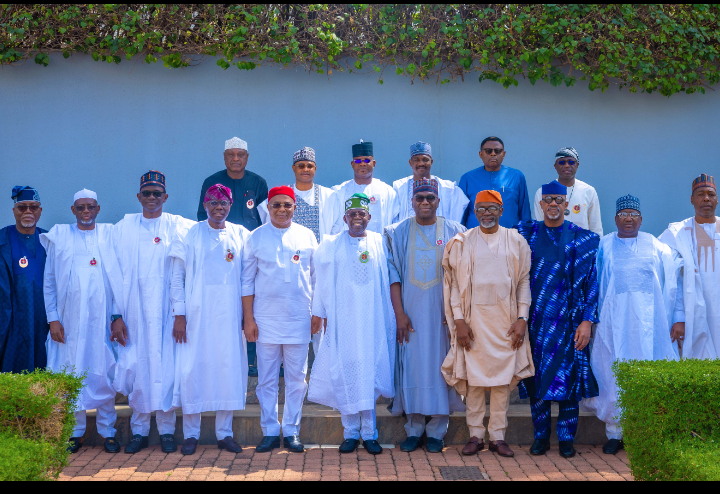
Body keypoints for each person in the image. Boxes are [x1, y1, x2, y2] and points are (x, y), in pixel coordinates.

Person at [581, 195, 679, 455]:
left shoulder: (656, 245)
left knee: (648, 375)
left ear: (641, 219)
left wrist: (673, 317)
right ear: (615, 219)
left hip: (650, 325)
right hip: (613, 324)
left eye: (633, 214)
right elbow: (594, 282)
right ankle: (615, 433)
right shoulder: (604, 245)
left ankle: (644, 433)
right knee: (613, 375)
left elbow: (671, 282)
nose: (628, 218)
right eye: (623, 214)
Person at [442, 190, 534, 458]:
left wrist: (522, 318)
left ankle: (498, 437)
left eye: (492, 208)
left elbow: (523, 281)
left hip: (506, 322)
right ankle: (475, 435)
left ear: (501, 211)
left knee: (502, 382)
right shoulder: (462, 242)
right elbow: (454, 285)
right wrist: (459, 321)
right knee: (474, 381)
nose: (486, 213)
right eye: (481, 209)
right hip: (472, 323)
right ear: (475, 212)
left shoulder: (516, 240)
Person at [514, 180, 600, 459]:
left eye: (558, 200)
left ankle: (566, 439)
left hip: (570, 324)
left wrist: (587, 321)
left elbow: (592, 283)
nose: (553, 204)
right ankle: (540, 437)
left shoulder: (583, 239)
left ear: (567, 204)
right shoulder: (525, 233)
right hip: (535, 323)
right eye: (548, 199)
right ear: (541, 204)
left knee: (569, 381)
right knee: (536, 380)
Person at [112, 171, 195, 454]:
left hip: (168, 312)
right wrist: (116, 316)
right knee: (139, 368)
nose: (151, 198)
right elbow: (113, 273)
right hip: (134, 311)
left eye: (156, 193)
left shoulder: (178, 225)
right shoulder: (123, 227)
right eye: (146, 193)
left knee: (166, 369)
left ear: (165, 196)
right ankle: (139, 431)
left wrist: (181, 313)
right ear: (138, 196)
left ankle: (167, 431)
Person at [308, 193, 395, 455]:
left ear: (369, 216)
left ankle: (369, 434)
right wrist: (319, 313)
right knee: (346, 373)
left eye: (361, 213)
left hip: (372, 320)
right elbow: (321, 282)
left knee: (368, 374)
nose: (357, 217)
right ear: (345, 218)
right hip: (343, 320)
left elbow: (388, 279)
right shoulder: (331, 244)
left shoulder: (379, 242)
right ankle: (350, 433)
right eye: (352, 214)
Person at [384, 178, 466, 454]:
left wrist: (454, 313)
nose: (425, 203)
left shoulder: (455, 231)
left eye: (430, 198)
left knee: (441, 368)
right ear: (412, 202)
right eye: (419, 198)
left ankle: (437, 431)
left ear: (438, 201)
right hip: (410, 317)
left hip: (442, 317)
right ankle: (414, 429)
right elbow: (393, 275)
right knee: (412, 366)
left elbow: (463, 277)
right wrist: (399, 314)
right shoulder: (398, 232)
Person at [41, 189, 123, 454]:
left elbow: (119, 280)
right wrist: (53, 319)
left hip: (101, 321)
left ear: (98, 209)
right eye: (80, 207)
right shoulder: (61, 236)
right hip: (70, 323)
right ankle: (75, 433)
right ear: (73, 210)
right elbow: (49, 281)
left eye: (90, 207)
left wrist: (117, 315)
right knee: (71, 370)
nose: (86, 212)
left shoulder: (110, 235)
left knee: (103, 371)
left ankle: (108, 432)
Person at [171, 184, 249, 455]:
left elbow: (248, 278)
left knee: (227, 369)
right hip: (196, 315)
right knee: (193, 369)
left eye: (223, 202)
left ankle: (224, 434)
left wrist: (247, 315)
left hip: (230, 315)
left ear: (230, 205)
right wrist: (179, 314)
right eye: (213, 202)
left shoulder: (241, 234)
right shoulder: (189, 233)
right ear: (205, 205)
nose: (218, 207)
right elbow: (177, 278)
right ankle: (191, 435)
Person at [242, 186, 318, 454]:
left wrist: (317, 313)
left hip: (299, 317)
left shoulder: (307, 235)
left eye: (287, 205)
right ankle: (270, 431)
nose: (282, 210)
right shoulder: (256, 237)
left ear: (295, 207)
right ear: (268, 208)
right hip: (266, 320)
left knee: (297, 378)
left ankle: (292, 430)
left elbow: (316, 279)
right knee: (266, 380)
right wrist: (248, 319)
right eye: (276, 205)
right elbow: (246, 281)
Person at [197, 137, 268, 377]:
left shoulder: (258, 183)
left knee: (249, 305)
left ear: (247, 157)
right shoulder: (211, 182)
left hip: (249, 253)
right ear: (224, 157)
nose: (235, 159)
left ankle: (250, 361)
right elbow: (202, 217)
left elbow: (264, 220)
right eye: (231, 155)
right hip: (218, 254)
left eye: (240, 155)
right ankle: (217, 358)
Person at [659, 174, 719, 358]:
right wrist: (678, 317)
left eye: (711, 194)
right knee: (699, 364)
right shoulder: (677, 233)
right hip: (693, 314)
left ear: (717, 199)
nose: (706, 198)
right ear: (692, 200)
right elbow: (672, 278)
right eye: (700, 194)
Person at [0, 186, 48, 373]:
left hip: (43, 319)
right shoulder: (2, 240)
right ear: (14, 211)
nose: (28, 211)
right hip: (10, 319)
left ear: (40, 211)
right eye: (22, 207)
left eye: (33, 207)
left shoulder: (50, 241)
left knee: (43, 368)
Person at [257, 147, 335, 243]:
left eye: (309, 166)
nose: (305, 169)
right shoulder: (282, 194)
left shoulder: (328, 195)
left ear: (315, 168)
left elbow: (336, 229)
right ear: (294, 168)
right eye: (301, 166)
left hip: (319, 249)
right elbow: (266, 221)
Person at [326, 140, 399, 235]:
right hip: (347, 243)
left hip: (379, 243)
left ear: (374, 163)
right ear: (352, 164)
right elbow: (334, 225)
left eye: (367, 160)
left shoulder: (387, 192)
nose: (362, 164)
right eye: (358, 161)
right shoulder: (339, 192)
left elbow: (395, 225)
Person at [459, 136, 531, 229]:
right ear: (481, 154)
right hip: (475, 235)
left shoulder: (516, 176)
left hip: (509, 235)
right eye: (488, 151)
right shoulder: (467, 178)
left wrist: (526, 234)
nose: (493, 154)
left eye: (497, 151)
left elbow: (524, 212)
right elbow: (461, 213)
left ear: (503, 154)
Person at [392, 141, 469, 223]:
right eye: (416, 160)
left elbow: (459, 210)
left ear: (431, 162)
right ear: (410, 163)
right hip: (407, 231)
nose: (421, 163)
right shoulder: (399, 188)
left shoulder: (449, 188)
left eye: (425, 160)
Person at [532, 147, 603, 235]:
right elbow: (538, 226)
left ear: (577, 165)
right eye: (562, 162)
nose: (566, 165)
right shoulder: (543, 192)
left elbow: (596, 228)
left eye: (571, 162)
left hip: (582, 242)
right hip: (551, 242)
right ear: (555, 166)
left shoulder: (588, 191)